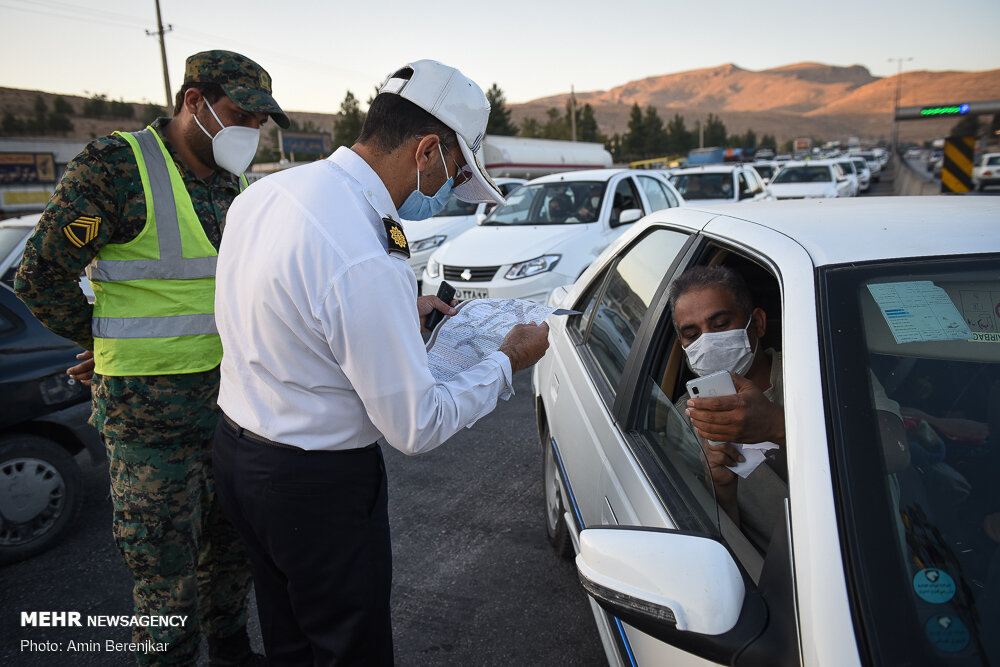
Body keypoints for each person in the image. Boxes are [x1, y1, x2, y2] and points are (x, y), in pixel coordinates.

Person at [210, 59, 550, 665]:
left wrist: (394, 313)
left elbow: (287, 313)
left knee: (288, 636)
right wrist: (506, 360)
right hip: (315, 488)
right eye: (457, 172)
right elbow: (415, 426)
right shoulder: (363, 250)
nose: (451, 190)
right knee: (348, 648)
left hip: (241, 455)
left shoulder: (272, 192)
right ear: (427, 150)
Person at [14, 50, 289, 666]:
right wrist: (99, 343)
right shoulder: (116, 167)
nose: (252, 129)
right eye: (240, 113)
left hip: (234, 410)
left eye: (260, 120)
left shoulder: (234, 184)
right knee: (164, 574)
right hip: (150, 426)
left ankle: (231, 647)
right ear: (195, 101)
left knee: (233, 549)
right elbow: (39, 276)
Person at [667, 265, 785, 541]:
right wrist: (720, 488)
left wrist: (778, 425)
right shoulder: (687, 419)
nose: (707, 342)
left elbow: (894, 450)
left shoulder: (816, 368)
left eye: (720, 325)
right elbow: (715, 544)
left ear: (757, 323)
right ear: (682, 345)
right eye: (692, 334)